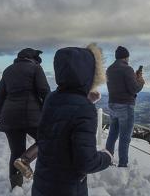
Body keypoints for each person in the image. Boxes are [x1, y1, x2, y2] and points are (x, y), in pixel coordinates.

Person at [32, 44, 112, 196]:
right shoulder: (84, 109)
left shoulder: (51, 98)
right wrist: (107, 157)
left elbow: (61, 124)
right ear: (89, 73)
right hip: (67, 189)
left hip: (42, 184)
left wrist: (83, 99)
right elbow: (86, 162)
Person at [0, 48, 50, 190]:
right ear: (33, 59)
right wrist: (51, 112)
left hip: (10, 117)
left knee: (16, 152)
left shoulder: (8, 71)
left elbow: (0, 95)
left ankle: (16, 188)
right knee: (48, 138)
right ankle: (25, 160)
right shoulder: (36, 69)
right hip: (31, 116)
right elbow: (44, 91)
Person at [105, 46, 145, 167]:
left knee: (112, 134)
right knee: (125, 137)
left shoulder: (109, 69)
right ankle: (123, 164)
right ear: (126, 57)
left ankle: (108, 160)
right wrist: (140, 81)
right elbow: (134, 89)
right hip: (125, 106)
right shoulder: (127, 69)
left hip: (112, 104)